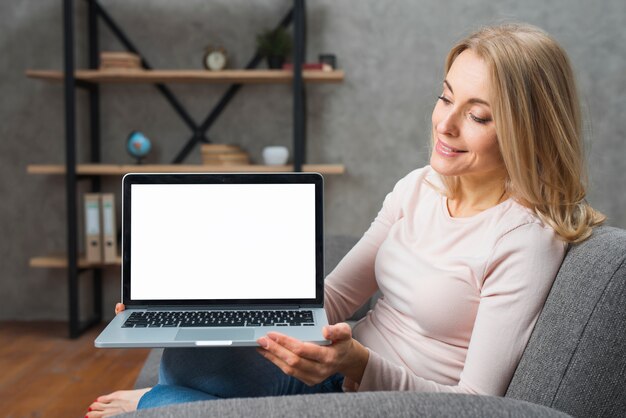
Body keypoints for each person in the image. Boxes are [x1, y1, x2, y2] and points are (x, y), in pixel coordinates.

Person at [86, 22, 605, 417]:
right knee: (191, 354)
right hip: (331, 368)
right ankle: (167, 396)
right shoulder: (418, 186)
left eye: (478, 115)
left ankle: (157, 404)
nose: (444, 124)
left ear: (526, 128)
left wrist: (357, 364)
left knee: (172, 397)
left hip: (382, 401)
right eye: (445, 96)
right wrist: (206, 304)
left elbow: (475, 402)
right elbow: (332, 298)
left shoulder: (525, 240)